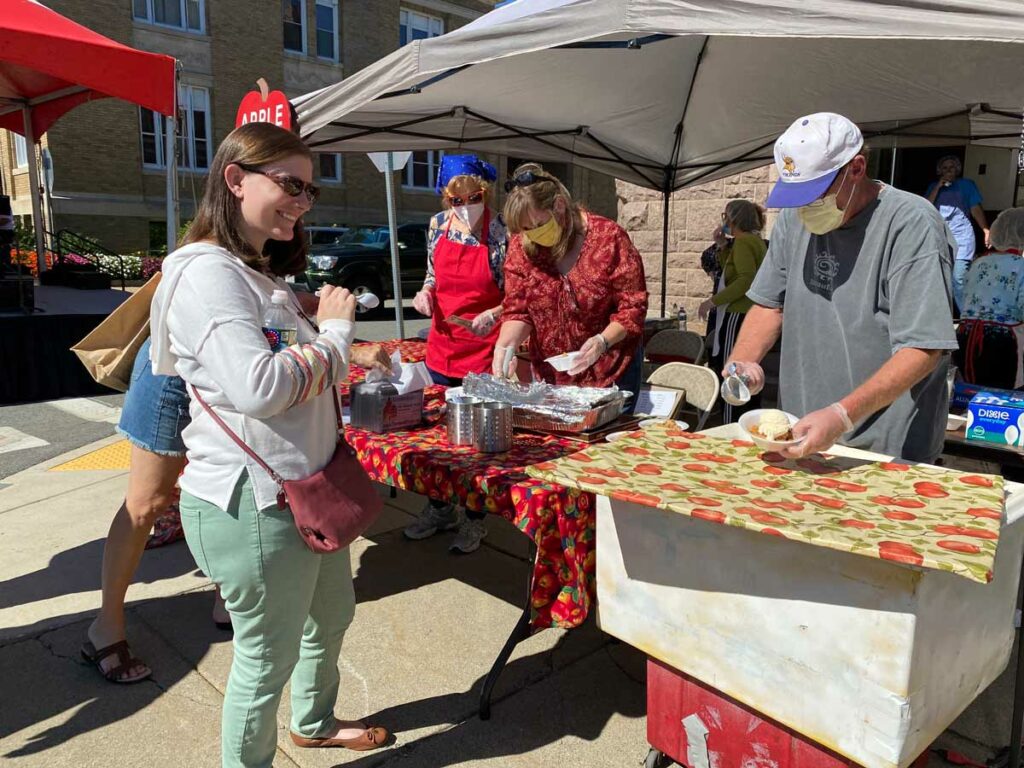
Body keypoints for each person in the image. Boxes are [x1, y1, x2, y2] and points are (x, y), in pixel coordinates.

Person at [149, 122, 389, 766]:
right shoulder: (205, 273)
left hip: (305, 492)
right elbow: (259, 388)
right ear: (234, 178)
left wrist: (322, 329)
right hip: (255, 503)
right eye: (290, 185)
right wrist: (335, 336)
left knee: (330, 617)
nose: (302, 202)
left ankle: (312, 721)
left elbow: (277, 360)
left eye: (308, 191)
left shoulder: (250, 272)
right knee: (264, 660)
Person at [725, 112, 957, 462]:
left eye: (815, 192)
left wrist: (842, 414)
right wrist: (742, 365)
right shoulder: (795, 217)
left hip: (887, 447)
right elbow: (770, 304)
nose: (805, 206)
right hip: (801, 432)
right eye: (796, 195)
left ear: (857, 168)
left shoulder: (912, 224)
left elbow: (923, 348)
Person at [405, 154, 508, 553]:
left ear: (485, 192)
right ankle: (439, 507)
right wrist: (424, 293)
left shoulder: (500, 230)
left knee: (478, 439)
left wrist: (494, 314)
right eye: (456, 199)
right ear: (445, 198)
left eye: (473, 196)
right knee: (440, 436)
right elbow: (432, 274)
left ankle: (475, 518)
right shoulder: (437, 226)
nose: (465, 205)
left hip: (483, 347)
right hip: (443, 345)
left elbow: (515, 294)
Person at [493, 163, 648, 400]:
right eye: (524, 229)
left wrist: (601, 342)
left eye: (537, 225)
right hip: (553, 376)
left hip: (611, 371)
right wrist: (505, 347)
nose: (531, 234)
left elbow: (632, 308)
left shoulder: (609, 238)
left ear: (559, 206)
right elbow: (518, 309)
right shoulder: (521, 246)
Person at [698, 199, 768, 422]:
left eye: (726, 216)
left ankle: (730, 422)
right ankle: (746, 421)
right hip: (750, 314)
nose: (723, 221)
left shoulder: (744, 242)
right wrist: (721, 245)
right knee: (747, 373)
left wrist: (713, 302)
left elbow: (744, 279)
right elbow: (732, 267)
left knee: (731, 371)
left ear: (734, 219)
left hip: (737, 314)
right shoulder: (753, 242)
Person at [954, 207, 1024, 390]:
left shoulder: (978, 263)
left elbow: (964, 294)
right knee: (1001, 397)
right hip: (1002, 340)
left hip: (966, 335)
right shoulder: (1021, 266)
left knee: (971, 391)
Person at [925, 154, 990, 311]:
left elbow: (975, 208)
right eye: (945, 168)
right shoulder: (934, 186)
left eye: (952, 167)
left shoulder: (966, 185)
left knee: (959, 278)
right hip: (941, 239)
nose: (949, 170)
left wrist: (986, 230)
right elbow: (926, 207)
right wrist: (938, 187)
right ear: (939, 171)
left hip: (963, 239)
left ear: (958, 170)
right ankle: (945, 317)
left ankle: (966, 316)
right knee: (942, 279)